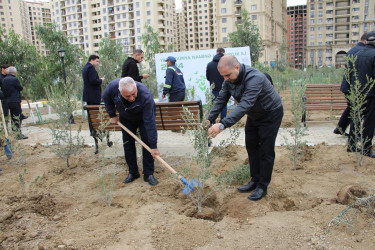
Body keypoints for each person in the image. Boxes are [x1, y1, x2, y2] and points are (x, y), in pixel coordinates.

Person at [205, 55, 283, 201]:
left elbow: (244, 104)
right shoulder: (228, 80)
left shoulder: (255, 78)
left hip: (270, 113)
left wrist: (222, 124)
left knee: (266, 150)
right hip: (254, 114)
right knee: (251, 147)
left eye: (228, 75)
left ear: (237, 67)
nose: (226, 79)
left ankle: (262, 186)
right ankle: (254, 180)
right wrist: (209, 119)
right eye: (223, 76)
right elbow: (221, 99)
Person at [102, 77, 160, 185]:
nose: (132, 98)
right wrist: (112, 114)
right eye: (127, 96)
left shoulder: (145, 95)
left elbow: (150, 122)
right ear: (120, 91)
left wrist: (154, 146)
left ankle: (148, 174)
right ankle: (133, 172)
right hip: (126, 118)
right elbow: (106, 98)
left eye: (133, 94)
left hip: (144, 118)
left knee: (147, 142)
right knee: (128, 143)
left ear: (136, 87)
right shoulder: (112, 88)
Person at [347, 31, 375, 158]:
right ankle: (366, 148)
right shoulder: (374, 55)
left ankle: (351, 145)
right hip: (370, 93)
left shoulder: (357, 54)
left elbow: (350, 75)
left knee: (356, 118)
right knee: (369, 121)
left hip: (356, 92)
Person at [334, 32, 367, 136]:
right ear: (366, 41)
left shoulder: (353, 50)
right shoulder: (362, 51)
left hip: (348, 86)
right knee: (356, 109)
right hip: (354, 87)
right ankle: (354, 134)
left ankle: (340, 128)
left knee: (351, 108)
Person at [82, 55, 111, 153]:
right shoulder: (91, 68)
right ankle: (98, 131)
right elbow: (94, 81)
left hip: (88, 96)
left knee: (92, 116)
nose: (98, 63)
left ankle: (93, 130)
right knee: (97, 115)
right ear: (92, 60)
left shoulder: (85, 68)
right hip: (93, 96)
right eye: (97, 61)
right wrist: (101, 80)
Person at [2, 66, 28, 140]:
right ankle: (18, 134)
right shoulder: (14, 79)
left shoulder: (4, 80)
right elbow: (20, 88)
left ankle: (14, 132)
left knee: (13, 118)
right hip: (15, 100)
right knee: (17, 117)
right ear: (14, 72)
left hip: (8, 101)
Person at [206, 48, 227, 120]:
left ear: (216, 53)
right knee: (224, 105)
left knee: (214, 106)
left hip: (214, 88)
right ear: (223, 53)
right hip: (224, 88)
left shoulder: (209, 64)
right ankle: (223, 122)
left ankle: (212, 122)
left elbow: (208, 77)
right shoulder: (225, 64)